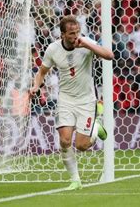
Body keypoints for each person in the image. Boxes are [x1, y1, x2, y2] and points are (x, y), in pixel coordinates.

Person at [30, 15, 114, 190]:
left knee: (82, 146)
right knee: (65, 140)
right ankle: (75, 180)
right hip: (65, 99)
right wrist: (35, 86)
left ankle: (95, 128)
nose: (75, 36)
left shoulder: (85, 43)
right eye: (71, 33)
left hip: (86, 100)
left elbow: (109, 55)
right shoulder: (53, 49)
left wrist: (87, 44)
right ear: (62, 34)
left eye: (77, 32)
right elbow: (42, 71)